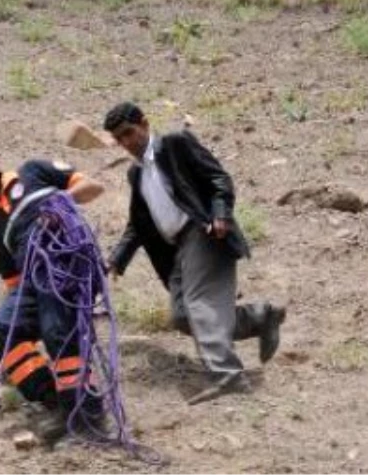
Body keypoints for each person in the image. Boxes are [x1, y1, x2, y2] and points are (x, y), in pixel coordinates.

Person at [102, 102, 286, 403]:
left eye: (128, 133)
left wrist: (221, 215)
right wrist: (116, 260)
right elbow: (138, 225)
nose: (126, 143)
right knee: (183, 316)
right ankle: (260, 317)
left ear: (145, 124)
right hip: (178, 248)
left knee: (199, 303)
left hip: (204, 231)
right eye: (119, 139)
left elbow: (219, 179)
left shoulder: (175, 144)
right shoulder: (136, 175)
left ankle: (229, 377)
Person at [0, 134, 106, 440]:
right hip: (33, 281)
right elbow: (14, 288)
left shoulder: (34, 173)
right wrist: (7, 351)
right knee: (1, 331)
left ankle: (87, 413)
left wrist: (59, 206)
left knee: (58, 330)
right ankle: (55, 400)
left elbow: (93, 187)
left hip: (65, 265)